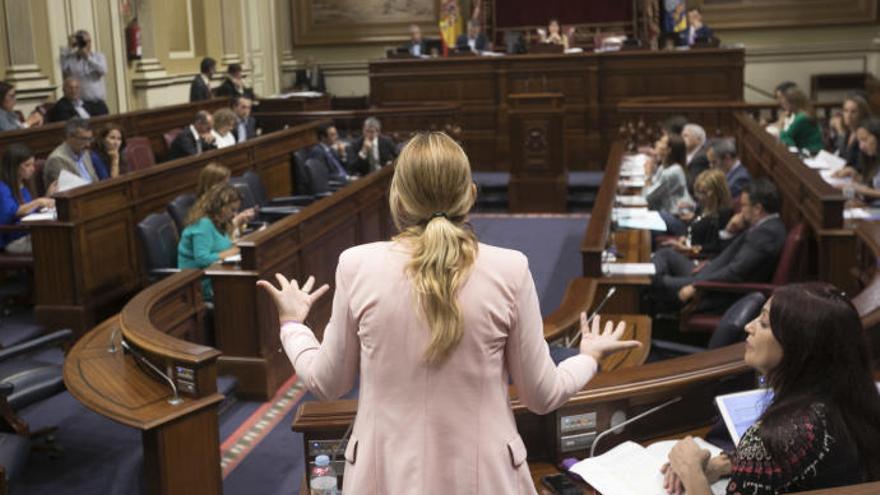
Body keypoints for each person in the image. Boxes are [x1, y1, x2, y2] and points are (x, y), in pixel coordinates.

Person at [257, 132, 640, 494]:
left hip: (384, 477)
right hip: (485, 477)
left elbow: (327, 383)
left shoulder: (356, 265)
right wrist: (587, 357)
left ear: (399, 199)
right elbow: (542, 395)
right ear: (470, 195)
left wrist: (293, 325)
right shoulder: (511, 269)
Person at [663, 283, 880, 495]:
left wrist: (691, 470)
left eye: (764, 323)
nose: (749, 326)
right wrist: (724, 464)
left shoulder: (777, 436)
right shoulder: (855, 397)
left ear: (799, 347)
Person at [651, 178, 786, 310]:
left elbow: (735, 272)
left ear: (757, 209)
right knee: (665, 254)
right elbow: (727, 252)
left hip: (713, 288)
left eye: (744, 205)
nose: (741, 211)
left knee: (653, 282)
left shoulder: (767, 234)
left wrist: (697, 285)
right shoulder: (764, 227)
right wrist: (729, 231)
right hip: (708, 271)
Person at [178, 183, 243, 300]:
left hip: (216, 276)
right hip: (198, 284)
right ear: (219, 206)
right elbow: (202, 260)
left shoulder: (220, 222)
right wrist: (232, 252)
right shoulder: (203, 224)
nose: (235, 215)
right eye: (232, 210)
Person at [661, 169, 734, 258]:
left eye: (703, 193)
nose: (699, 196)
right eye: (698, 192)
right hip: (688, 250)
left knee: (663, 254)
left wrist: (690, 249)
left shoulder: (724, 214)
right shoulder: (702, 207)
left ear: (716, 193)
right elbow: (693, 227)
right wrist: (684, 239)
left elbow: (716, 247)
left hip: (700, 257)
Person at [0, 144, 56, 253]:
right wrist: (39, 201)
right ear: (14, 166)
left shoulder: (22, 183)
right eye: (27, 165)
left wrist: (47, 198)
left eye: (33, 164)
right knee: (55, 245)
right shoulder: (2, 187)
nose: (33, 169)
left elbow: (29, 210)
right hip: (13, 239)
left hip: (28, 233)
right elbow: (13, 212)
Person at [60, 30, 109, 116]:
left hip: (98, 103)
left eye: (89, 41)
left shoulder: (98, 56)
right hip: (82, 104)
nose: (87, 44)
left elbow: (103, 70)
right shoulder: (71, 59)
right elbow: (63, 67)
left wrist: (87, 58)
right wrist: (69, 47)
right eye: (84, 41)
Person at [642, 134, 692, 217]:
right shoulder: (663, 167)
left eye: (661, 142)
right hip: (666, 213)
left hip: (674, 216)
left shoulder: (672, 172)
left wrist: (648, 175)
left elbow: (647, 198)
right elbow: (650, 190)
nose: (657, 143)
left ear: (668, 150)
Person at [832, 117, 880, 202]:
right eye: (859, 141)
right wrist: (855, 175)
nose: (861, 146)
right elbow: (874, 185)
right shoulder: (872, 159)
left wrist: (861, 190)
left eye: (865, 140)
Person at [44, 117, 99, 186]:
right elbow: (67, 189)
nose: (88, 144)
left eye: (90, 139)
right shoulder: (56, 159)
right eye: (83, 139)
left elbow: (94, 179)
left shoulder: (84, 152)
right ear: (69, 137)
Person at [777, 86, 824, 154]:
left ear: (793, 103)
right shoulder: (800, 114)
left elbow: (787, 138)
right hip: (808, 150)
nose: (784, 105)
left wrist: (780, 125)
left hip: (812, 152)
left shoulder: (802, 117)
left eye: (785, 103)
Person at [830, 92, 872, 166]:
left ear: (862, 114)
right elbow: (838, 152)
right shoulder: (849, 131)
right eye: (845, 111)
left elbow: (847, 159)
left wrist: (840, 132)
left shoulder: (864, 134)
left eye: (853, 112)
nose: (848, 115)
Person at [681, 123, 710, 194]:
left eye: (685, 136)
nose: (681, 139)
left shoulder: (701, 157)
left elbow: (691, 186)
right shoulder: (687, 155)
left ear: (698, 139)